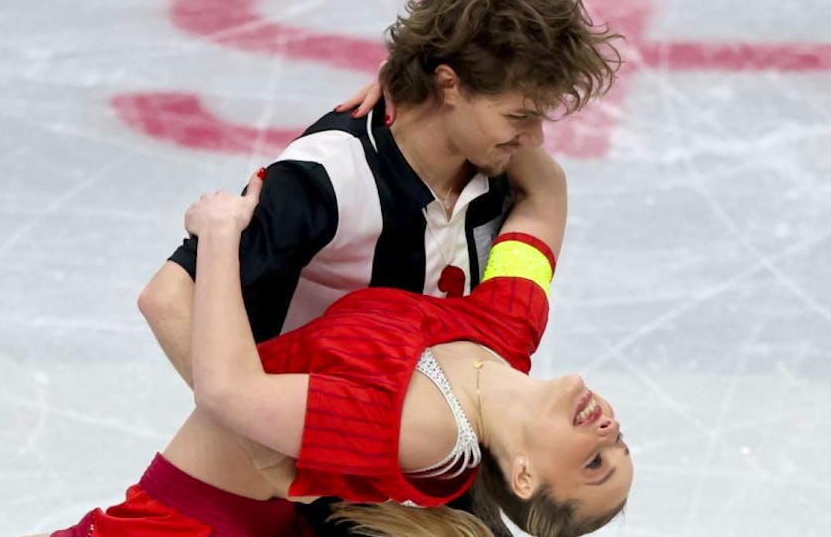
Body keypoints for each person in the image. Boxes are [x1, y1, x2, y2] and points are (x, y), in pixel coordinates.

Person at [139, 0, 619, 528]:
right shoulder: (329, 179)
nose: (534, 139)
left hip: (425, 464)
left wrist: (411, 77)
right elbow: (167, 298)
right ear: (450, 86)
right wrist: (269, 453)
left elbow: (546, 186)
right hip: (301, 476)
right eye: (518, 117)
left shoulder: (500, 173)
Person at [44, 148, 632, 537]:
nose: (609, 433)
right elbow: (544, 193)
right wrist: (423, 89)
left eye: (594, 464)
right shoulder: (508, 327)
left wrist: (220, 235)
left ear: (524, 477)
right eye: (622, 443)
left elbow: (226, 389)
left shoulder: (421, 428)